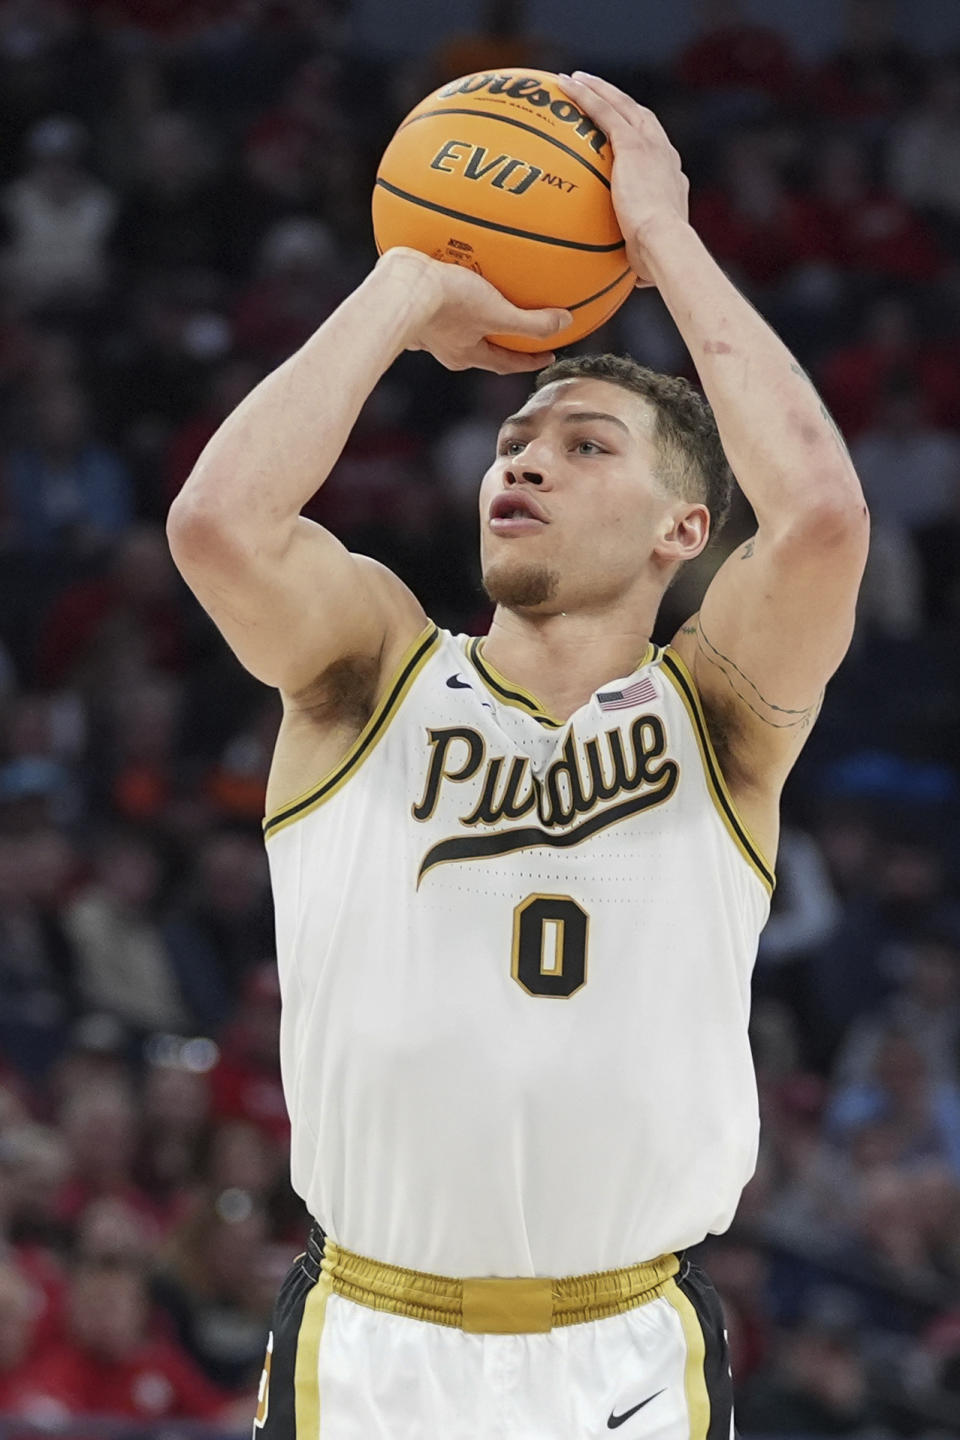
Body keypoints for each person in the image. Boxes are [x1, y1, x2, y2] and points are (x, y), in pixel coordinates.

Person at [167, 71, 868, 1440]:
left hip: (624, 1356)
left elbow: (823, 520)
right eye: (513, 440)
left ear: (684, 531)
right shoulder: (371, 667)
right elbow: (218, 526)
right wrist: (408, 288)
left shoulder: (716, 718)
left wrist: (661, 237)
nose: (524, 463)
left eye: (584, 444)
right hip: (369, 1343)